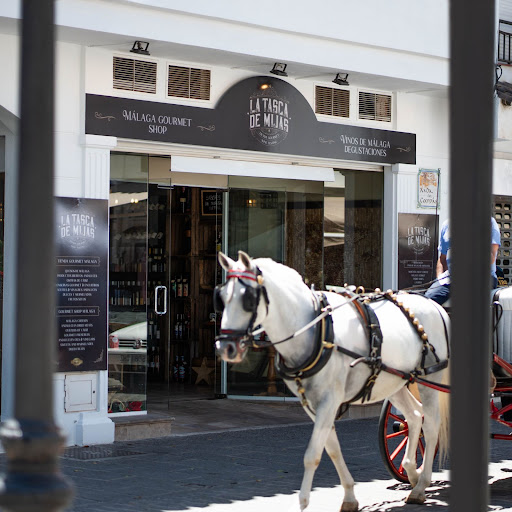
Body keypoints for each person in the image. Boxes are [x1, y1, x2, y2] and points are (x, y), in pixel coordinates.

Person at [424, 217, 501, 305]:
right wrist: (440, 278)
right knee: (427, 302)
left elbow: (491, 255)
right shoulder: (447, 225)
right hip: (451, 278)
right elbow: (442, 259)